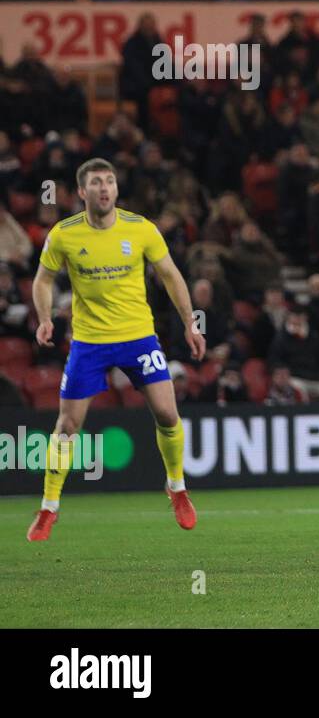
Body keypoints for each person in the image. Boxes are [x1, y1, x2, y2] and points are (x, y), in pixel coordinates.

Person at [27, 158, 206, 541]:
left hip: (138, 336)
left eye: (109, 181)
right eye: (96, 183)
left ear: (116, 189)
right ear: (82, 192)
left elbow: (171, 275)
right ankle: (48, 507)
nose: (105, 188)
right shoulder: (64, 234)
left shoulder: (140, 229)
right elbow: (42, 281)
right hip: (89, 342)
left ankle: (176, 487)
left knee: (167, 415)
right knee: (68, 426)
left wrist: (191, 324)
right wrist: (44, 318)